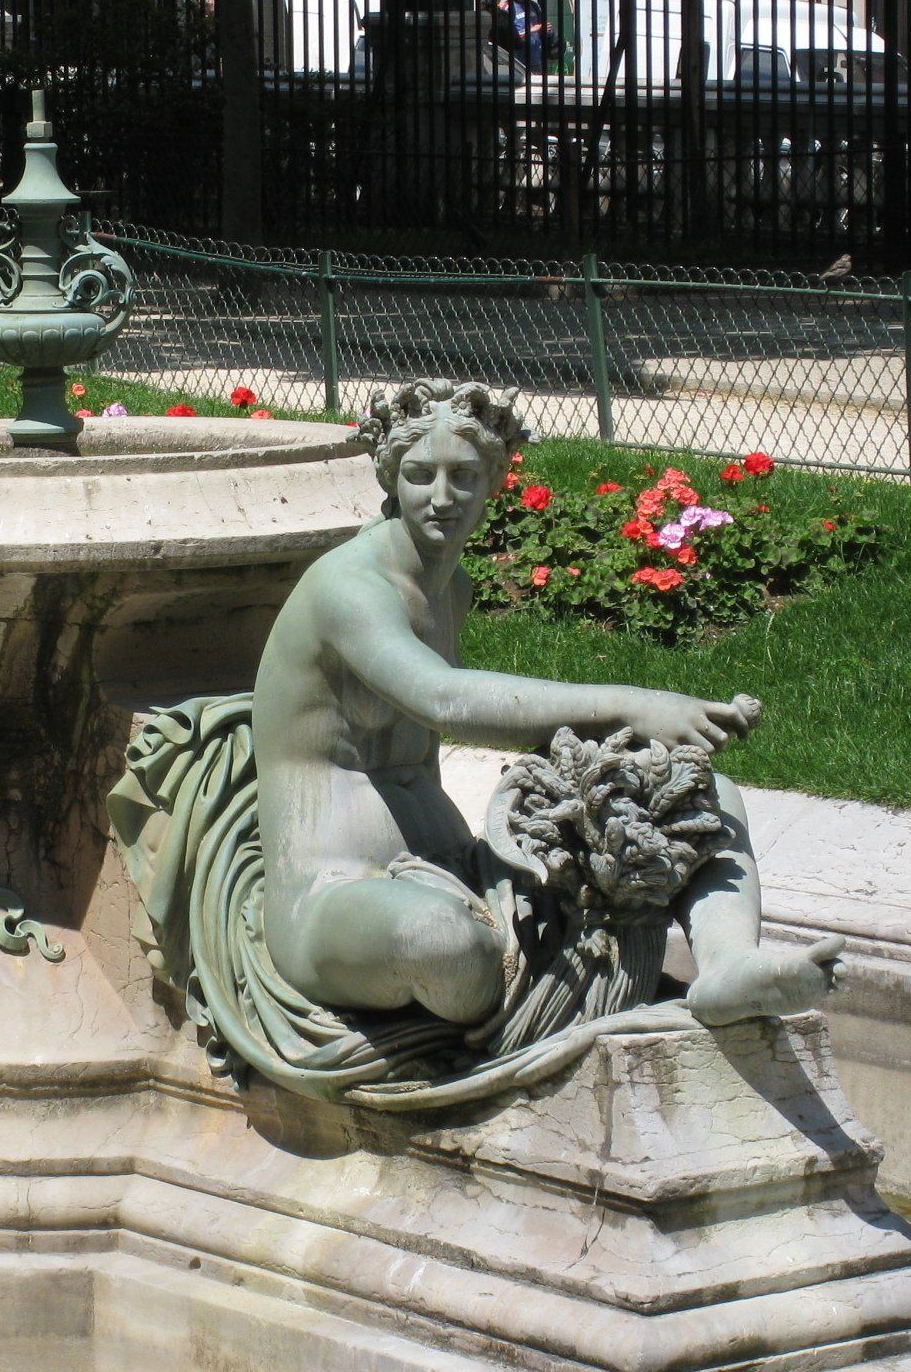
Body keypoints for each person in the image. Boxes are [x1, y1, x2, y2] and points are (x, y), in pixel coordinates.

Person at [251, 379, 842, 1029]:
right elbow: (442, 699)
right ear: (390, 477)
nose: (442, 497)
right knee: (449, 950)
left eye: (463, 476)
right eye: (420, 475)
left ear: (494, 481)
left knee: (699, 795)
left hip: (457, 874)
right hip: (335, 895)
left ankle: (729, 965)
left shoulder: (450, 587)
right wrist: (630, 706)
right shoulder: (348, 587)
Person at [505, 0, 548, 73]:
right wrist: (530, 31)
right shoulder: (508, 8)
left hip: (536, 62)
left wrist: (545, 30)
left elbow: (540, 29)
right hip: (518, 64)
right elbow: (506, 37)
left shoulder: (534, 6)